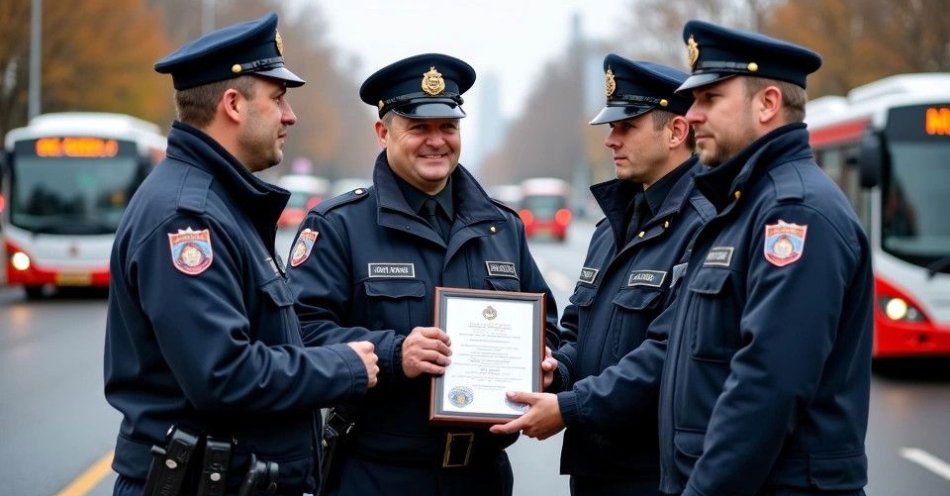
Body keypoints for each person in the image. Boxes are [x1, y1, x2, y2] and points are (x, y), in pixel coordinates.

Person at [496, 20, 874, 496]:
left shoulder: (792, 212)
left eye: (710, 99)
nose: (694, 114)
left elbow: (766, 385)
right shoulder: (743, 207)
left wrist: (574, 408)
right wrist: (561, 370)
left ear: (768, 104)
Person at [103, 13, 378, 496]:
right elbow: (223, 374)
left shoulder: (221, 203)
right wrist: (344, 366)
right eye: (277, 98)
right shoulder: (188, 217)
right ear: (232, 103)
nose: (289, 115)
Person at [284, 53, 560, 496]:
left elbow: (549, 326)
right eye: (418, 128)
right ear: (383, 133)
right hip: (378, 475)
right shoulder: (340, 225)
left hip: (483, 477)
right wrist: (394, 354)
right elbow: (298, 334)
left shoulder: (502, 226)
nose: (437, 141)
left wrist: (548, 365)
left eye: (448, 127)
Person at [491, 55, 712, 496]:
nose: (611, 140)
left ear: (676, 131)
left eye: (626, 126)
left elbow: (666, 356)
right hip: (596, 468)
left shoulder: (704, 226)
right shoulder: (612, 226)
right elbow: (578, 326)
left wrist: (569, 408)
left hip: (657, 472)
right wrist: (557, 370)